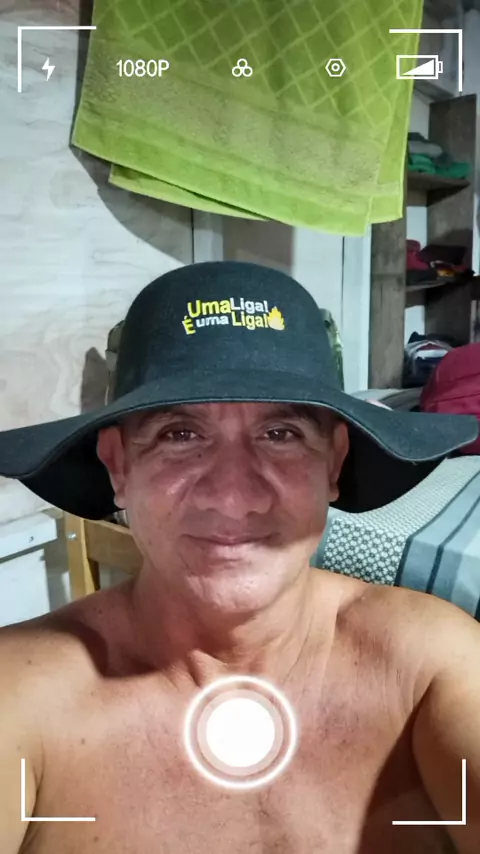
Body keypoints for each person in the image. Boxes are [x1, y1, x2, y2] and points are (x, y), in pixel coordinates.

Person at [0, 261, 479, 854]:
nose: (233, 497)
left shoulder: (430, 667)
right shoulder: (22, 693)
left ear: (333, 462)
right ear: (119, 467)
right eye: (180, 435)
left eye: (281, 434)